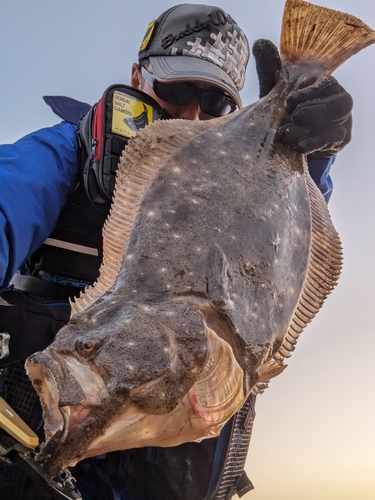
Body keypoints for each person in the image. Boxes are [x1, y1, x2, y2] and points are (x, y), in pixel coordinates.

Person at [0, 4, 353, 499]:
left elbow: (283, 246)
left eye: (214, 104)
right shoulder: (67, 155)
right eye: (176, 90)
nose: (189, 114)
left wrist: (310, 154)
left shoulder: (250, 184)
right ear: (137, 77)